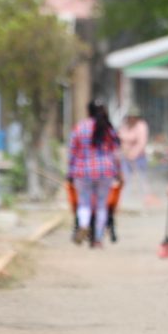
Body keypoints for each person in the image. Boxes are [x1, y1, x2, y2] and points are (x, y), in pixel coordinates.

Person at [68, 100, 121, 248]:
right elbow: (116, 153)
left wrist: (70, 173)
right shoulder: (108, 129)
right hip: (105, 171)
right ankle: (97, 238)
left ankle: (84, 224)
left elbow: (72, 152)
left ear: (88, 111)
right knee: (101, 205)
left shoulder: (80, 127)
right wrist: (118, 172)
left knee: (84, 202)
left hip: (83, 171)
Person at [118, 108, 151, 202]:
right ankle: (124, 200)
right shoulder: (124, 126)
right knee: (125, 179)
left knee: (142, 178)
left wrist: (133, 154)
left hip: (139, 157)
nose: (132, 119)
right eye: (130, 117)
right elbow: (120, 139)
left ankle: (145, 199)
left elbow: (142, 142)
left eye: (134, 117)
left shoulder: (142, 126)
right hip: (125, 157)